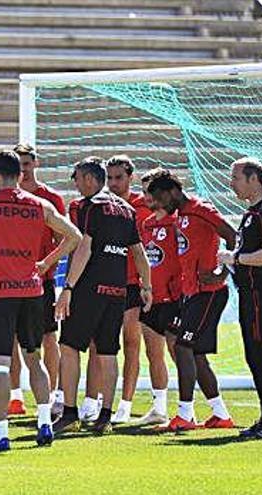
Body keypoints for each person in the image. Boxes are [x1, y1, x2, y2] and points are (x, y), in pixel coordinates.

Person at [0, 151, 81, 451]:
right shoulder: (40, 205)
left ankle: (0, 433)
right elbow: (75, 236)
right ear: (20, 175)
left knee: (0, 365)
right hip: (33, 292)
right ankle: (45, 423)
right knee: (35, 359)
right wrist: (46, 263)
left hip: (0, 295)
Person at [53, 156, 152, 435]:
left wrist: (68, 288)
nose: (76, 186)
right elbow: (138, 253)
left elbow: (84, 247)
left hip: (88, 288)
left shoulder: (90, 206)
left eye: (77, 180)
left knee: (70, 347)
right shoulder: (126, 209)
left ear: (87, 179)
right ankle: (105, 416)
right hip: (117, 290)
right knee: (108, 353)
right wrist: (147, 287)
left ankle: (70, 413)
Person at [147, 170, 236, 432]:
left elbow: (231, 235)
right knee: (195, 354)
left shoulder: (200, 209)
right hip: (193, 293)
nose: (160, 205)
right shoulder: (182, 217)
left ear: (173, 191)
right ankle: (221, 415)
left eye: (161, 198)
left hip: (209, 293)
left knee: (183, 347)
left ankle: (185, 415)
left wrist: (223, 272)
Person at [219, 157, 262, 439]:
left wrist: (233, 258)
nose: (231, 183)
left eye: (236, 178)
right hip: (251, 293)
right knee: (254, 355)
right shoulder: (252, 213)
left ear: (253, 179)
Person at [12, 143, 67, 416]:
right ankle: (14, 396)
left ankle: (52, 393)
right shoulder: (6, 197)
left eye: (27, 162)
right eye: (18, 162)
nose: (23, 167)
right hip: (9, 280)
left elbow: (64, 238)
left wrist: (48, 263)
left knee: (48, 337)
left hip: (40, 280)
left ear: (35, 163)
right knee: (10, 339)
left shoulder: (50, 198)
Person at [104, 155, 155, 423]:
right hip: (106, 282)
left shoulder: (143, 206)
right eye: (109, 178)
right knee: (101, 343)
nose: (113, 183)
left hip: (134, 284)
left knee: (132, 342)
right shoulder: (101, 206)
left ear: (130, 177)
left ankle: (125, 403)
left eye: (118, 178)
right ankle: (100, 400)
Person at [134, 168, 180, 425]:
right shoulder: (147, 223)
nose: (147, 197)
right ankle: (159, 407)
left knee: (179, 354)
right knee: (154, 353)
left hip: (174, 298)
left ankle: (187, 408)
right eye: (143, 193)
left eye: (150, 191)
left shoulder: (178, 221)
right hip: (152, 297)